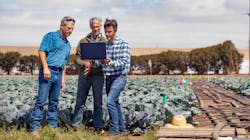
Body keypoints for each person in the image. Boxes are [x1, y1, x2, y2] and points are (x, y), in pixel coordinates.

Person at [29, 16, 75, 136]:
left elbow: (64, 64)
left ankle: (52, 128)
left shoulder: (68, 45)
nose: (70, 31)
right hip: (48, 71)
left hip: (59, 74)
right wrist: (45, 68)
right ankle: (34, 128)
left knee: (54, 102)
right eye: (68, 28)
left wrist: (63, 79)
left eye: (72, 29)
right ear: (61, 26)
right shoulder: (51, 36)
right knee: (41, 100)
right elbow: (42, 51)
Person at [71, 17, 106, 133]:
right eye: (93, 26)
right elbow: (76, 57)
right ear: (90, 27)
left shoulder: (104, 41)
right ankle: (76, 126)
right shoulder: (83, 41)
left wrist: (97, 64)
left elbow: (106, 59)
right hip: (84, 75)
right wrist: (83, 63)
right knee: (80, 101)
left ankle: (98, 127)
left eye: (97, 26)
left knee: (98, 102)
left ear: (100, 27)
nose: (95, 28)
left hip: (98, 75)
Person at [101, 18, 131, 136]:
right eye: (106, 32)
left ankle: (114, 133)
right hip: (108, 77)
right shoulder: (104, 45)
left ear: (115, 30)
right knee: (115, 104)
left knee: (110, 102)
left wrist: (109, 62)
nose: (107, 34)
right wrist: (94, 62)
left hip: (119, 77)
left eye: (110, 32)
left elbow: (123, 62)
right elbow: (101, 62)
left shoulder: (124, 44)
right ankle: (123, 132)